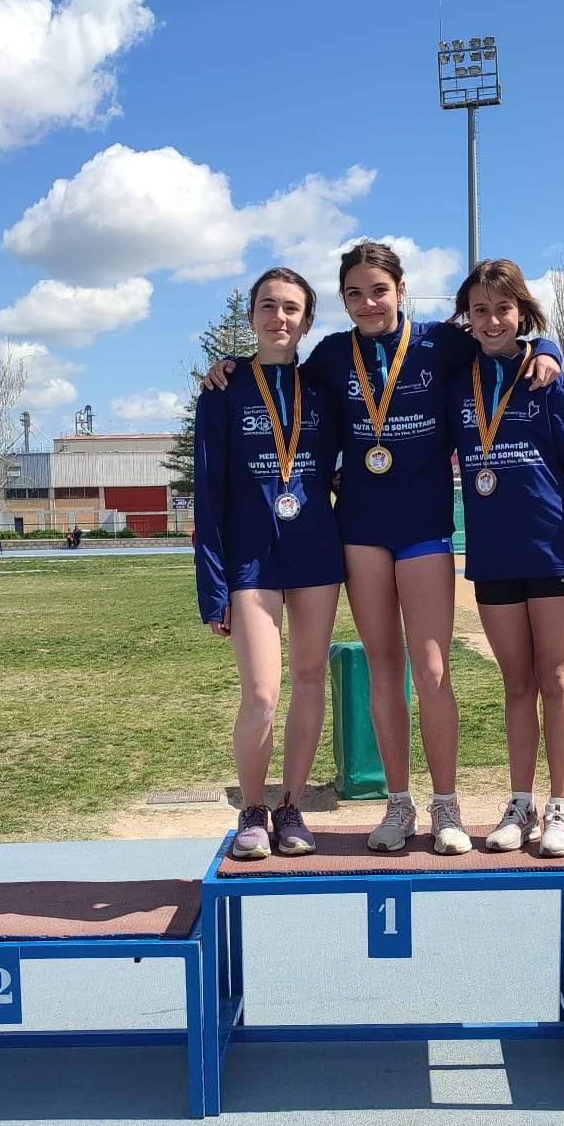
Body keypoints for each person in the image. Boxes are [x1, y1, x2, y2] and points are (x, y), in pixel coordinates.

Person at [203, 241, 561, 854]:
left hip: (424, 530)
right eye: (354, 294)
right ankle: (399, 804)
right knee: (382, 668)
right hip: (360, 532)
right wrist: (227, 367)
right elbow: (275, 376)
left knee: (431, 667)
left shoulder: (438, 343)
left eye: (379, 291)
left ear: (401, 290)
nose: (368, 303)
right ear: (340, 302)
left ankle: (445, 807)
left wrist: (548, 348)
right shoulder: (330, 357)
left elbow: (505, 336)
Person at [444, 260, 564, 858]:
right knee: (516, 683)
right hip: (493, 555)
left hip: (554, 547)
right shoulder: (458, 380)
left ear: (523, 313)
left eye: (503, 309)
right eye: (479, 310)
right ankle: (520, 801)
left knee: (557, 676)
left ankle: (562, 807)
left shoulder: (548, 379)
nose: (491, 321)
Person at [193, 268, 345, 860]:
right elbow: (208, 493)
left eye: (291, 309)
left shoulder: (326, 387)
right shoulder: (222, 390)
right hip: (250, 561)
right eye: (267, 306)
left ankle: (292, 806)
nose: (279, 318)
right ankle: (252, 810)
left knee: (310, 682)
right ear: (252, 316)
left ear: (307, 321)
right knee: (260, 690)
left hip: (315, 552)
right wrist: (213, 586)